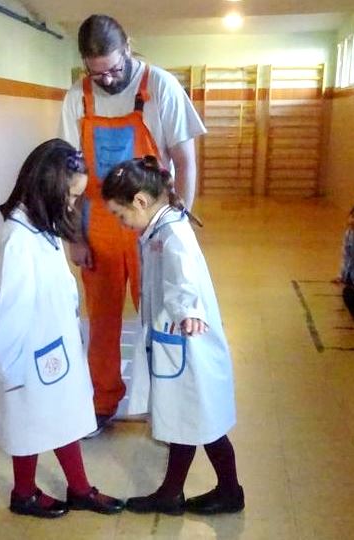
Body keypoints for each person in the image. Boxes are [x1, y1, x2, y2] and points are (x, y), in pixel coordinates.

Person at [59, 14, 206, 429]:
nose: (106, 80)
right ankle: (102, 401)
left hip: (152, 225)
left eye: (114, 68)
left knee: (160, 318)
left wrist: (177, 226)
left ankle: (167, 402)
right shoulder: (77, 97)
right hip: (97, 227)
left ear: (128, 46)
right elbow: (68, 172)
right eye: (96, 72)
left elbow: (184, 160)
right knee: (101, 322)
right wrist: (75, 236)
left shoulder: (161, 86)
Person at [0, 138, 124, 518]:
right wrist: (11, 371)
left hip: (53, 346)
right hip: (29, 355)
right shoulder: (18, 237)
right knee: (28, 420)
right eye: (70, 196)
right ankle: (24, 494)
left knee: (62, 414)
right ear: (47, 186)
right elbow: (10, 312)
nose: (72, 205)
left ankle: (78, 488)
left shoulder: (40, 226)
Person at [102, 156, 243, 515]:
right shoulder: (159, 228)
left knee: (201, 419)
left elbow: (184, 281)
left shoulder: (172, 232)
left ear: (140, 201)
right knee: (187, 416)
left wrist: (188, 313)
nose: (122, 223)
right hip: (174, 341)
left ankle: (227, 491)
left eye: (121, 215)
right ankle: (174, 492)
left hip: (188, 340)